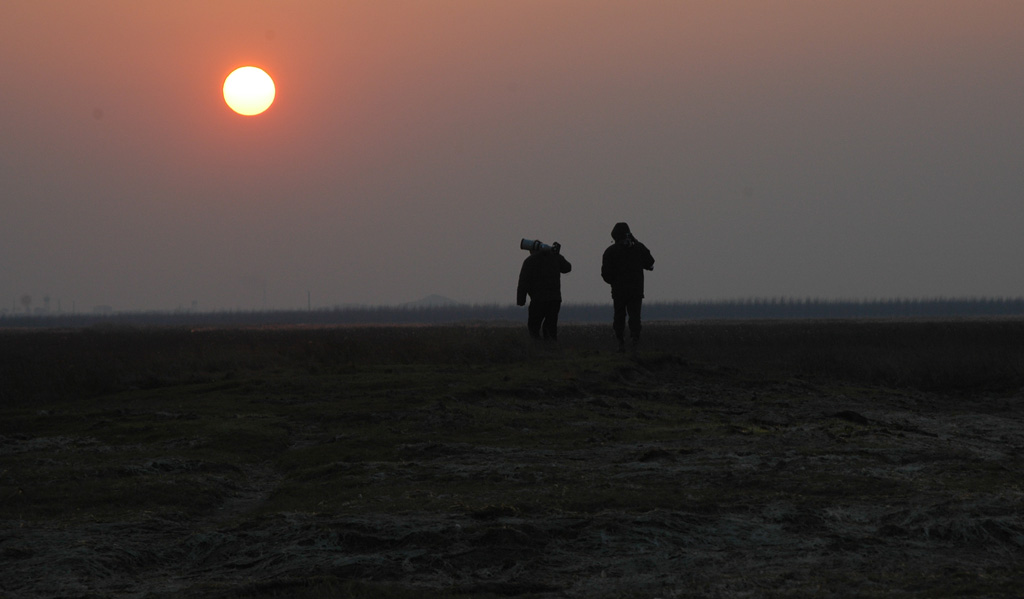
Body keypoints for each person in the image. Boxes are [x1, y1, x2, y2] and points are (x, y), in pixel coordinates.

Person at [601, 222, 655, 351]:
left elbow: (605, 274)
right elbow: (650, 262)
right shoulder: (638, 247)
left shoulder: (610, 251)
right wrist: (635, 241)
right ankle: (635, 341)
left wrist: (614, 282)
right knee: (635, 317)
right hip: (636, 290)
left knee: (619, 316)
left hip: (618, 291)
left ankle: (620, 342)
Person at [517, 241, 572, 340]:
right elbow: (567, 268)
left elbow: (523, 282)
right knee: (551, 327)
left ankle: (537, 348)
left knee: (534, 327)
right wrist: (557, 255)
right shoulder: (555, 257)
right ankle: (551, 348)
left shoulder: (529, 261)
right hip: (554, 300)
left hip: (538, 300)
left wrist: (521, 300)